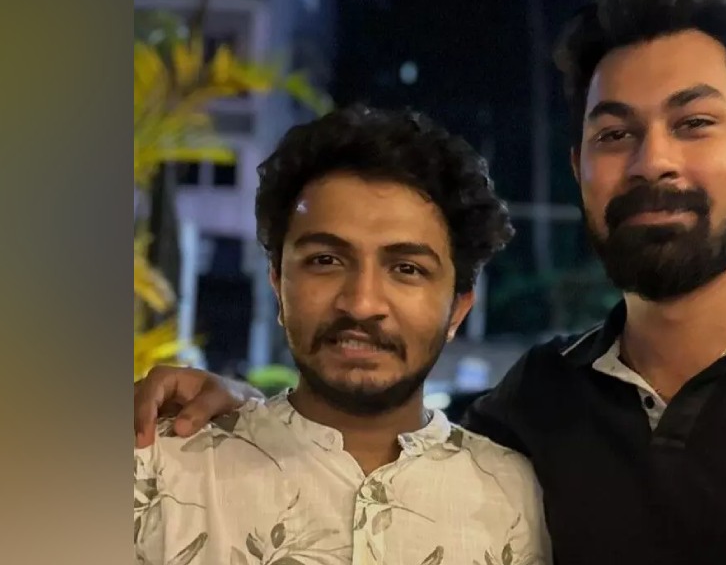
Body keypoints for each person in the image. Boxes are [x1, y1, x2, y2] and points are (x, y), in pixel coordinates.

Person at [135, 0, 726, 563]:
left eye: (694, 123)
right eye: (615, 133)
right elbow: (360, 428)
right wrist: (245, 416)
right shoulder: (536, 407)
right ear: (579, 167)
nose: (654, 161)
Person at [134, 105, 551, 565]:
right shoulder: (157, 470)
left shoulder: (521, 502)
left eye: (406, 268)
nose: (361, 303)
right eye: (325, 261)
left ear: (457, 309)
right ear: (278, 283)